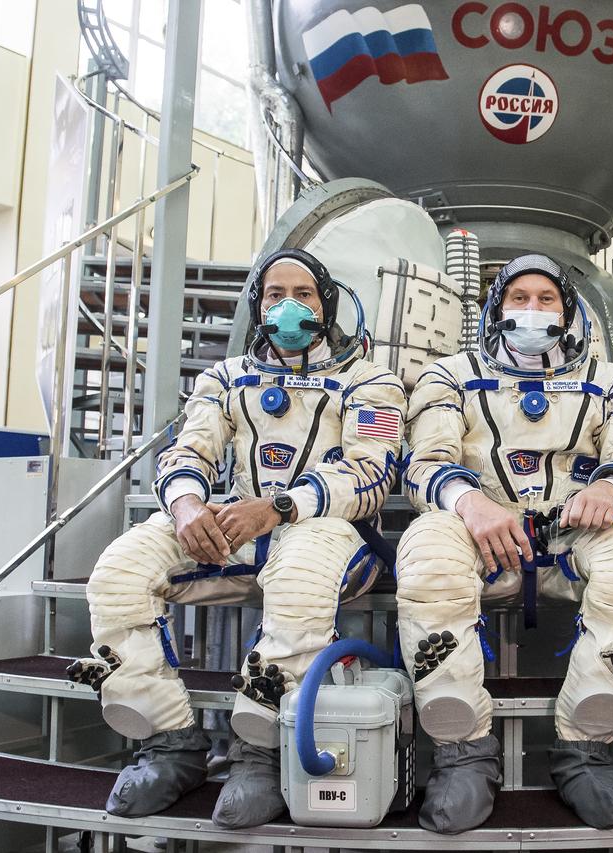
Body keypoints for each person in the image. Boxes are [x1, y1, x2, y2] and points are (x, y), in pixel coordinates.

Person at [68, 248, 406, 828]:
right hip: (238, 525)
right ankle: (170, 743)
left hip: (331, 529)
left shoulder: (371, 381)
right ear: (258, 307)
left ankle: (259, 752)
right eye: (275, 295)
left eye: (303, 294)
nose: (289, 307)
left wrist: (276, 506)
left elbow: (372, 474)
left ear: (326, 304)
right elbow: (187, 450)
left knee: (298, 584)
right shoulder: (224, 378)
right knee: (121, 572)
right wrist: (186, 504)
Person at [396, 253, 613, 833]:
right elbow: (424, 465)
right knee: (429, 553)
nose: (532, 310)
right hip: (481, 533)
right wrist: (473, 503)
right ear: (497, 307)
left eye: (547, 300)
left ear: (567, 312)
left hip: (575, 535)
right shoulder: (449, 376)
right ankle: (462, 753)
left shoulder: (612, 382)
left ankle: (585, 752)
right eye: (519, 298)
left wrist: (609, 487)